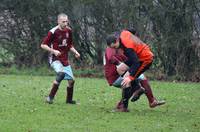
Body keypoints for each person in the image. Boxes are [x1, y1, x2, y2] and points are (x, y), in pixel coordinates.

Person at [41, 13, 80, 104]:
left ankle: (69, 100)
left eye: (66, 21)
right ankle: (50, 98)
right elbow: (43, 45)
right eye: (63, 22)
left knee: (71, 81)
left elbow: (69, 45)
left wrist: (76, 52)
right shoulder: (53, 31)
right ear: (58, 21)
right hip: (54, 58)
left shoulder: (69, 31)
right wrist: (53, 51)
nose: (65, 23)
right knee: (61, 74)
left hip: (64, 59)